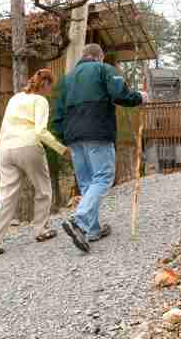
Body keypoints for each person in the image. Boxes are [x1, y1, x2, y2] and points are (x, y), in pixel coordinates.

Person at [52, 44, 148, 253]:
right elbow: (120, 93)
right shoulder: (104, 70)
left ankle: (92, 230)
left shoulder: (66, 80)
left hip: (73, 136)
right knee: (103, 177)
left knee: (87, 183)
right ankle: (79, 219)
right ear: (99, 57)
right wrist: (139, 97)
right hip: (97, 132)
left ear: (84, 56)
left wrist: (64, 137)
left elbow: (57, 114)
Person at [0, 68, 69, 257]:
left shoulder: (15, 98)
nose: (49, 91)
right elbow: (40, 131)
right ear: (45, 84)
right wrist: (62, 149)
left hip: (5, 148)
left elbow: (5, 125)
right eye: (49, 87)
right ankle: (40, 230)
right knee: (43, 188)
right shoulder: (40, 101)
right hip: (28, 146)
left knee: (6, 196)